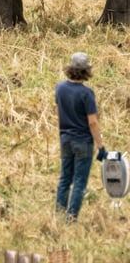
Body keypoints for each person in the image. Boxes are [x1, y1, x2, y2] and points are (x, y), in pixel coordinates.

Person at [55, 51, 106, 221]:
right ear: (86, 71)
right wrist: (101, 147)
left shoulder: (60, 88)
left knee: (64, 179)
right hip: (83, 142)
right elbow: (92, 122)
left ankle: (59, 216)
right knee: (79, 182)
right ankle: (71, 219)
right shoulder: (86, 94)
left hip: (65, 139)